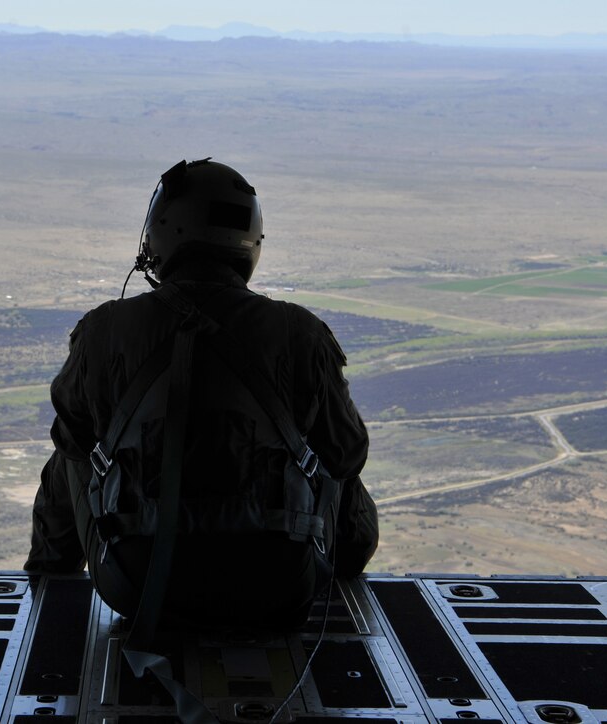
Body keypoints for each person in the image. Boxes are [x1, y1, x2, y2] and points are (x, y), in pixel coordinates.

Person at [24, 158, 378, 629]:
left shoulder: (103, 331)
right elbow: (347, 456)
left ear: (161, 234)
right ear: (251, 241)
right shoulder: (301, 333)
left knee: (71, 449)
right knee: (333, 450)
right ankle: (344, 572)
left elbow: (75, 450)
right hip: (277, 586)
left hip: (136, 586)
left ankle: (49, 582)